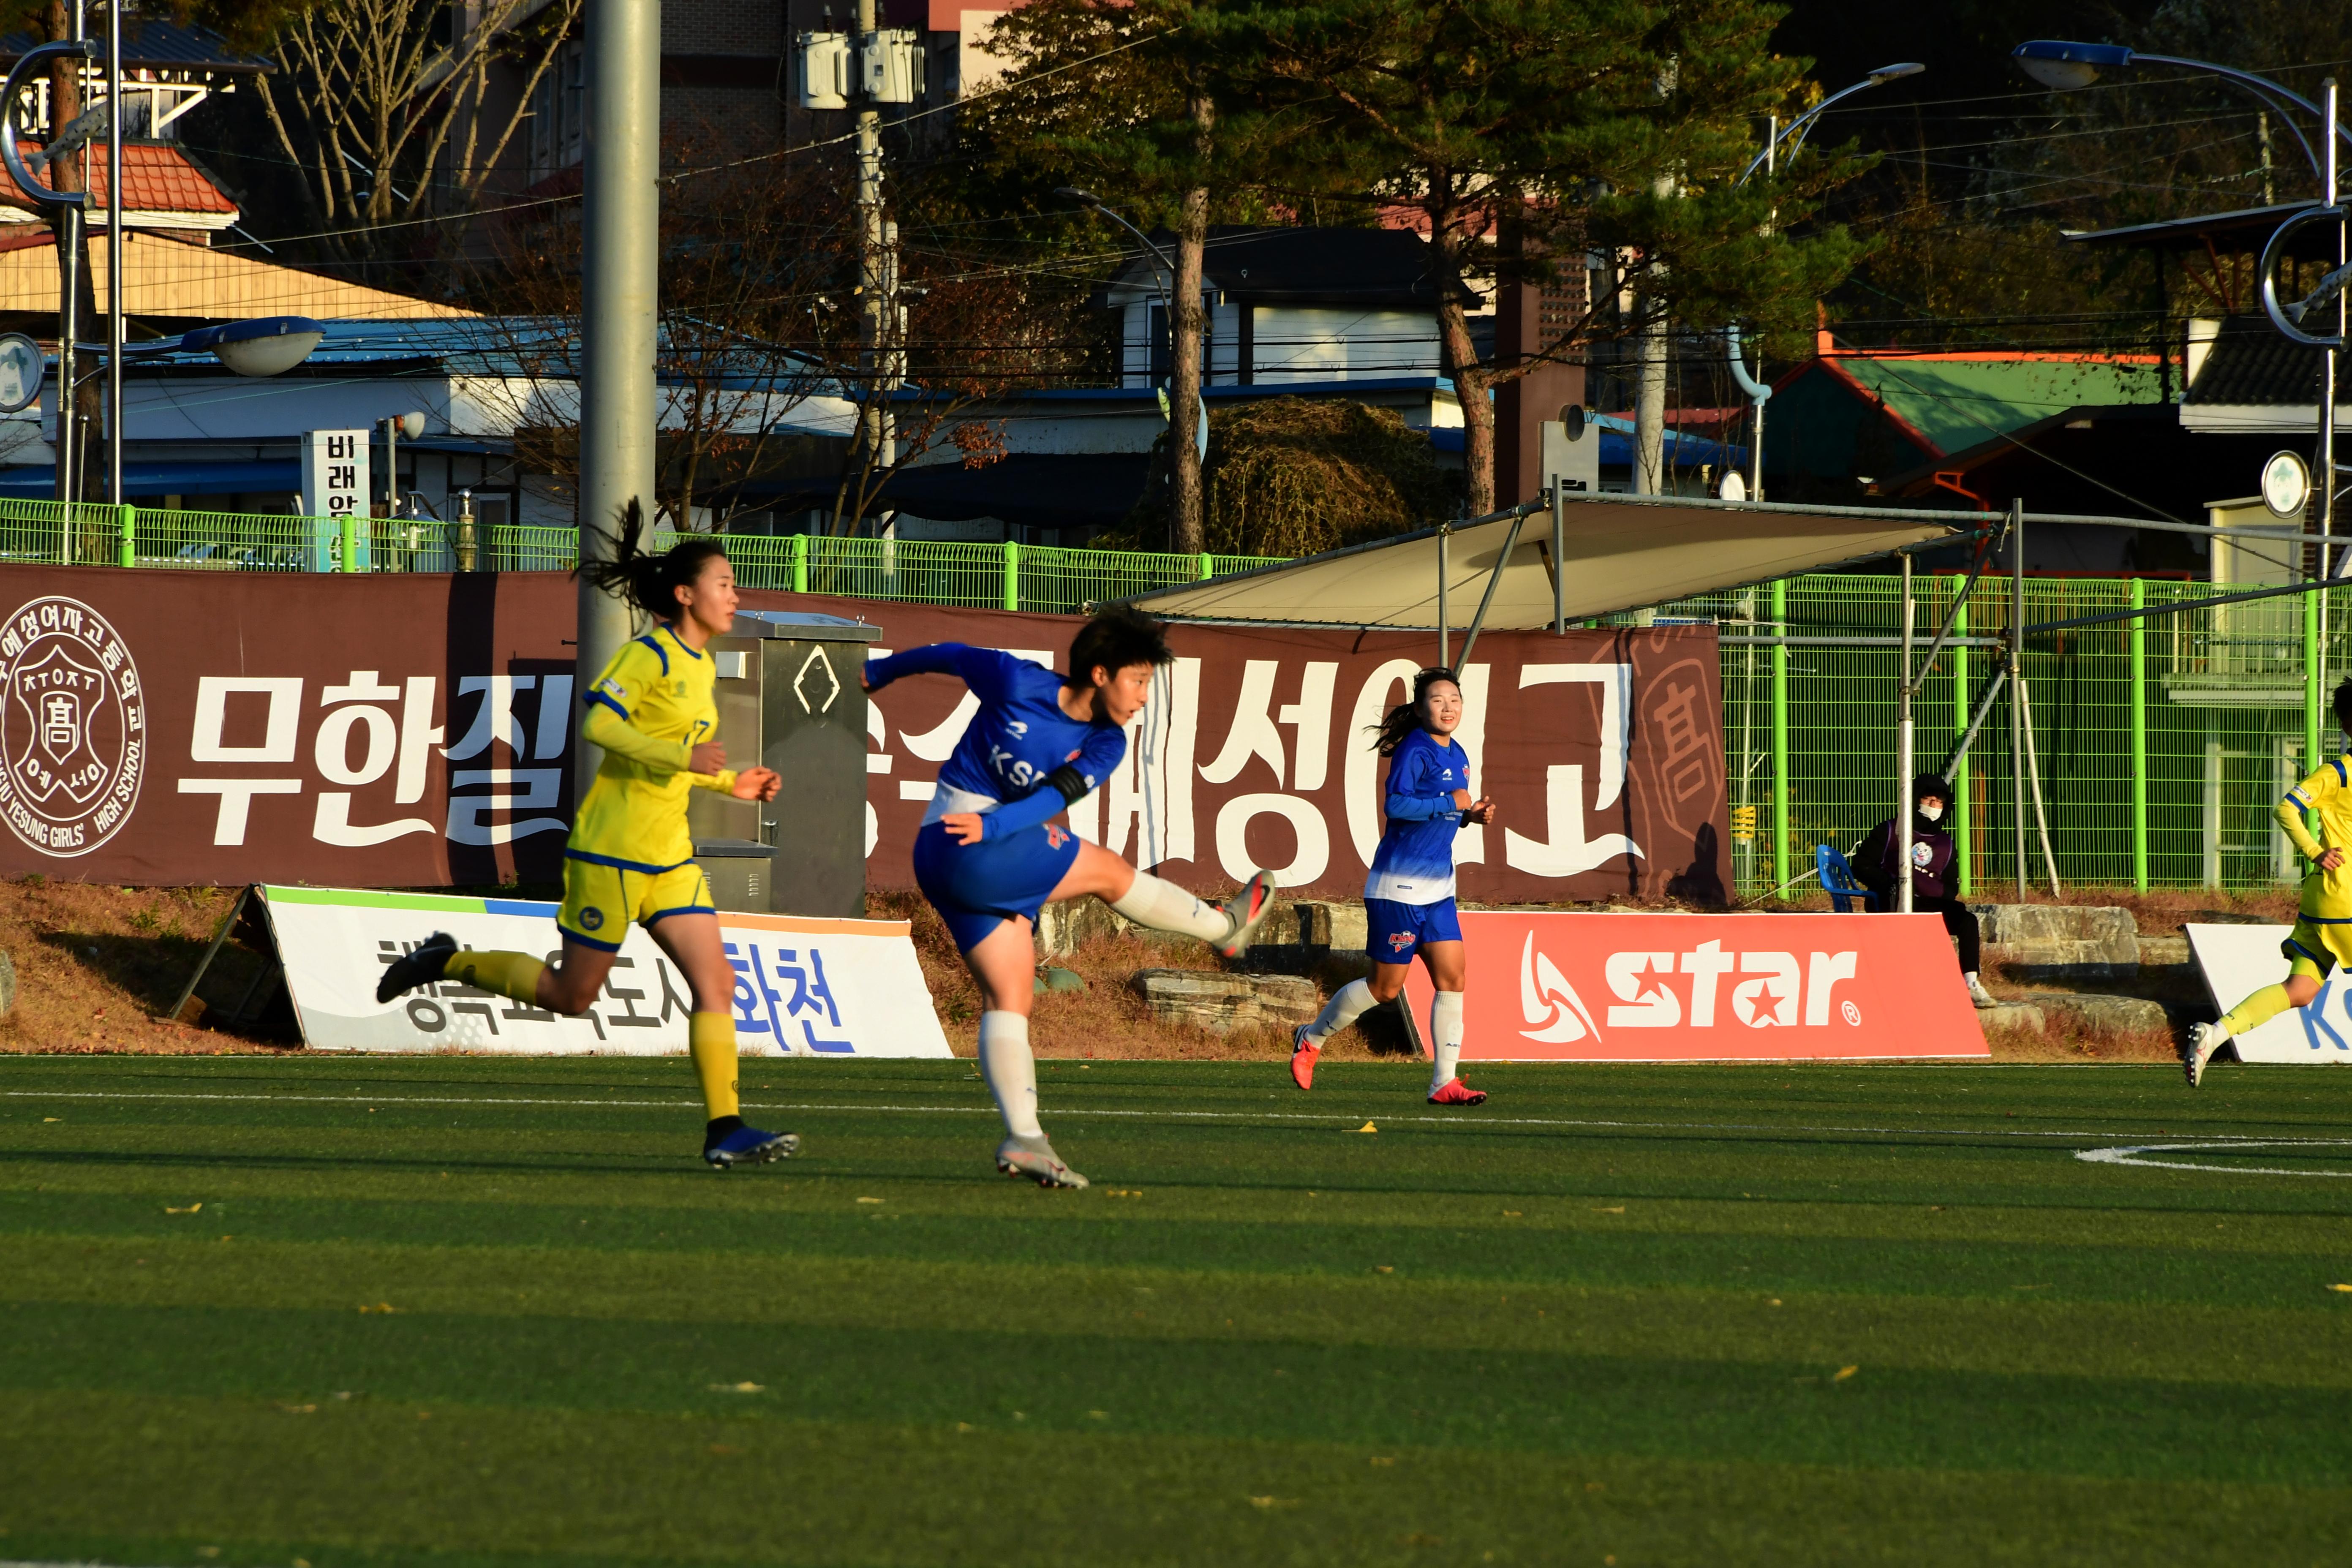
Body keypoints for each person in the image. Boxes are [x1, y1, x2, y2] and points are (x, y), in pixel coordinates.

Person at [377, 505, 794, 1168]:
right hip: (612, 852)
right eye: (724, 582)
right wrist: (687, 763)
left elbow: (677, 756)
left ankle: (726, 1128)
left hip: (669, 858)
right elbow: (600, 726)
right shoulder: (648, 653)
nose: (735, 594)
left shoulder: (702, 664)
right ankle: (445, 961)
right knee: (574, 998)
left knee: (717, 986)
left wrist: (730, 783)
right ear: (685, 594)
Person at [863, 608, 1277, 1189]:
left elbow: (1051, 799)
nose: (1142, 699)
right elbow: (952, 655)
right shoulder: (1017, 680)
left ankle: (1025, 1137)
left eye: (1149, 685)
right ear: (1101, 674)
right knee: (1108, 871)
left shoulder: (1105, 743)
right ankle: (1223, 929)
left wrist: (997, 827)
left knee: (1010, 997)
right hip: (959, 848)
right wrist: (881, 670)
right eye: (1138, 682)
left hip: (959, 857)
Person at [1288, 666, 1497, 1105]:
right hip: (1398, 889)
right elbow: (1397, 805)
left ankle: (1444, 1081)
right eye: (1439, 701)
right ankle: (1311, 1038)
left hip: (1438, 889)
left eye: (1455, 700)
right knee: (1385, 989)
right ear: (1421, 709)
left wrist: (1469, 815)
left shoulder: (1457, 753)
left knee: (1454, 977)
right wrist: (1450, 802)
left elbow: (1441, 812)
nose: (1448, 707)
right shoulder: (1414, 750)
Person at [2188, 680, 2352, 1086]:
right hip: (2347, 897)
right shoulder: (2339, 773)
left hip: (2323, 899)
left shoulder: (2338, 772)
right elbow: (2286, 808)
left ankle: (2216, 1034)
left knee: (2300, 989)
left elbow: (2287, 806)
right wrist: (2316, 850)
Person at [1853, 773, 1998, 1010]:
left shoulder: (1945, 843)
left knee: (1966, 920)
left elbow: (1951, 884)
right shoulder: (1892, 830)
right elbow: (1861, 865)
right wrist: (1886, 882)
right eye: (1928, 800)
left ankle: (1971, 983)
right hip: (1890, 901)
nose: (1933, 806)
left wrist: (1939, 893)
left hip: (1928, 904)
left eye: (1938, 802)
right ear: (1914, 800)